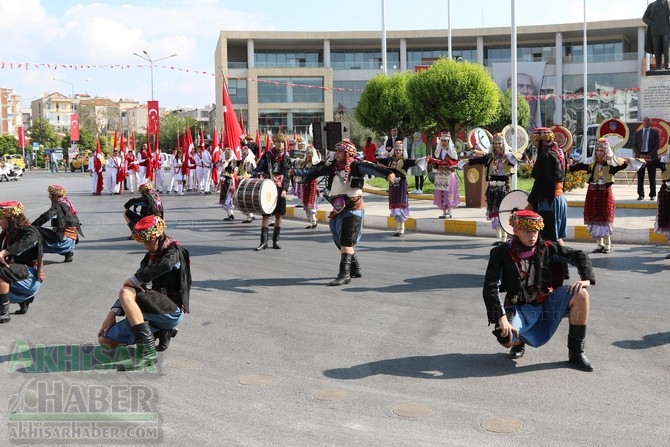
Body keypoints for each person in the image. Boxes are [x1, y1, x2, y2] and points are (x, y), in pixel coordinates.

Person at [482, 210, 595, 371]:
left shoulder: (546, 248)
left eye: (535, 231)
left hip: (545, 303)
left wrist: (586, 279)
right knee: (506, 339)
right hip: (519, 307)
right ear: (516, 231)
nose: (532, 236)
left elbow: (579, 255)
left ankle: (576, 353)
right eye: (527, 231)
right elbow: (490, 287)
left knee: (581, 294)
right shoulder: (501, 253)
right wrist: (501, 318)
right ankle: (518, 342)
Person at [293, 139, 397, 286]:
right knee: (339, 239)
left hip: (353, 208)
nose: (337, 153)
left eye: (340, 151)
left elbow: (371, 167)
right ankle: (356, 268)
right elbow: (314, 171)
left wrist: (387, 174)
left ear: (348, 153)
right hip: (337, 208)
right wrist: (297, 173)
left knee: (346, 241)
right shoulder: (333, 166)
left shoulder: (356, 166)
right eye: (337, 151)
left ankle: (344, 274)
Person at [98, 215, 191, 370]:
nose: (146, 246)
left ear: (159, 236)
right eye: (143, 242)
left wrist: (133, 281)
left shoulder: (174, 253)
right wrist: (112, 313)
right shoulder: (151, 256)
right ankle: (161, 330)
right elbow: (137, 281)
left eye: (148, 241)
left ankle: (147, 351)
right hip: (153, 308)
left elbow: (164, 265)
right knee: (105, 341)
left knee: (126, 292)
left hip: (171, 310)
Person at [568, 138, 630, 254]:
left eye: (602, 150)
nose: (599, 153)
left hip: (604, 192)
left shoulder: (611, 165)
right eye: (597, 150)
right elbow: (577, 167)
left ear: (606, 152)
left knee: (604, 217)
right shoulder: (591, 164)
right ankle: (599, 244)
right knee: (593, 216)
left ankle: (608, 244)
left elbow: (624, 164)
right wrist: (566, 167)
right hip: (592, 191)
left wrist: (611, 158)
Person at [464, 133, 518, 245]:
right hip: (492, 187)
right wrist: (464, 163)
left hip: (504, 187)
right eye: (495, 143)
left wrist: (510, 155)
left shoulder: (508, 157)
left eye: (499, 143)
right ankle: (498, 238)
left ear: (503, 144)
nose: (497, 145)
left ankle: (504, 238)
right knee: (494, 212)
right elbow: (477, 160)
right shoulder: (489, 157)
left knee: (504, 212)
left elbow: (516, 160)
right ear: (492, 145)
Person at [0, 201, 44, 320]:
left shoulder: (30, 232)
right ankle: (24, 301)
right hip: (16, 272)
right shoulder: (6, 233)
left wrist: (5, 252)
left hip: (30, 277)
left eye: (1, 218)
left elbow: (29, 241)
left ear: (11, 218)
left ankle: (3, 313)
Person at [251, 134, 293, 250]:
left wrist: (284, 189)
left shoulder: (286, 157)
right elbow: (259, 169)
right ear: (274, 142)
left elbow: (287, 174)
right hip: (268, 187)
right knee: (266, 214)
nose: (280, 145)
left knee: (279, 214)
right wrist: (251, 174)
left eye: (282, 142)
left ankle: (276, 241)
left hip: (280, 188)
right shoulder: (267, 155)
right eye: (278, 142)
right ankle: (264, 242)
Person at [32, 185, 83, 263]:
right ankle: (67, 253)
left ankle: (33, 260)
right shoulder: (67, 203)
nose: (48, 196)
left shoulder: (58, 205)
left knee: (35, 232)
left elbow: (46, 216)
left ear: (54, 196)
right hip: (72, 241)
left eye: (50, 194)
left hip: (64, 242)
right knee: (56, 229)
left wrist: (31, 226)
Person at [381, 140, 421, 237]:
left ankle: (401, 229)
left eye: (400, 150)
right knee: (395, 206)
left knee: (400, 206)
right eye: (396, 150)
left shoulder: (405, 161)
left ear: (402, 151)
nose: (398, 151)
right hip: (392, 185)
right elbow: (377, 161)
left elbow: (415, 161)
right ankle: (398, 228)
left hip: (401, 184)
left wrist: (425, 159)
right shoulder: (390, 160)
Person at [429, 131, 460, 219]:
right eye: (442, 140)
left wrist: (447, 163)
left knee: (449, 192)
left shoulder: (452, 152)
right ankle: (444, 211)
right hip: (440, 174)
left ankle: (449, 212)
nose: (443, 142)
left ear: (448, 141)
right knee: (441, 192)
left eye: (445, 141)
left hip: (449, 174)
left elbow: (454, 162)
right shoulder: (438, 151)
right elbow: (436, 162)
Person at [294, 146, 322, 229]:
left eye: (310, 153)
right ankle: (312, 221)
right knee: (306, 203)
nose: (309, 155)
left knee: (311, 203)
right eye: (307, 153)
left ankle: (314, 221)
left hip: (312, 185)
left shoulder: (315, 163)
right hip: (304, 185)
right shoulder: (303, 163)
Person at [632, 117, 659, 200]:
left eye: (648, 121)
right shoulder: (638, 133)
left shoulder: (655, 133)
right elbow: (634, 145)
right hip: (640, 156)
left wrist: (650, 155)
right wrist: (639, 155)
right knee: (640, 176)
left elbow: (656, 145)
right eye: (644, 121)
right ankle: (641, 194)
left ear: (650, 122)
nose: (646, 122)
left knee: (652, 176)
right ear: (642, 123)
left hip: (651, 156)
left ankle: (652, 195)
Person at [643, 0, 670, 70]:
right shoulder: (651, 5)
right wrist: (652, 24)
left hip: (666, 30)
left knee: (666, 48)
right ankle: (658, 66)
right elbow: (644, 17)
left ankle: (668, 64)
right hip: (655, 31)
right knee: (657, 49)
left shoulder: (668, 4)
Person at [238, 146, 257, 224]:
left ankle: (249, 217)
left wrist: (244, 176)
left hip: (248, 182)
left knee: (247, 199)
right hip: (243, 181)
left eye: (244, 153)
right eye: (242, 153)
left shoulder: (249, 161)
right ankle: (250, 215)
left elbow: (251, 173)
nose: (243, 154)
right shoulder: (243, 161)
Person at [219, 148, 237, 221]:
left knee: (228, 198)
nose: (226, 155)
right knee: (226, 198)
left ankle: (231, 214)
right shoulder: (225, 161)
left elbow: (230, 172)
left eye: (228, 154)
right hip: (225, 181)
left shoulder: (231, 162)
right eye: (225, 154)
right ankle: (230, 214)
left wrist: (225, 165)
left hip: (228, 181)